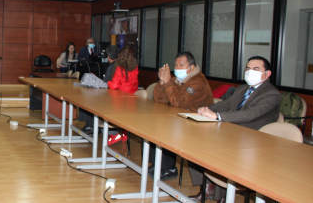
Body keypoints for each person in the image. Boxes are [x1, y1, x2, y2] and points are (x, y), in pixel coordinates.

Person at [188, 56, 281, 203]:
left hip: (255, 140)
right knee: (193, 144)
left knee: (216, 148)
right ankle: (206, 188)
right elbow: (225, 104)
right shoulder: (243, 89)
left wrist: (217, 116)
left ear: (267, 74)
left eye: (256, 69)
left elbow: (250, 114)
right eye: (248, 68)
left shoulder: (272, 94)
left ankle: (221, 196)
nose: (250, 72)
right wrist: (206, 109)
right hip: (232, 132)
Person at [149, 51, 214, 181]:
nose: (177, 68)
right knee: (154, 127)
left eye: (181, 65)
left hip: (200, 125)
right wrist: (162, 82)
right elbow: (159, 100)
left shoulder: (198, 82)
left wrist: (168, 83)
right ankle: (158, 164)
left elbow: (177, 102)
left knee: (167, 130)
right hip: (181, 119)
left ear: (192, 67)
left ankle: (169, 168)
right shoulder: (177, 80)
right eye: (176, 65)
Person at [79, 45, 120, 134]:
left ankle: (91, 126)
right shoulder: (118, 65)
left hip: (111, 96)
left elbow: (106, 83)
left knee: (85, 100)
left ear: (108, 57)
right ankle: (91, 126)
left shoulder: (113, 67)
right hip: (116, 95)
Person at [105, 46, 139, 144]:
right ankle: (124, 133)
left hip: (120, 98)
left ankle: (114, 134)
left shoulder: (120, 68)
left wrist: (108, 83)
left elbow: (115, 85)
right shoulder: (135, 67)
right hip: (132, 99)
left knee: (105, 108)